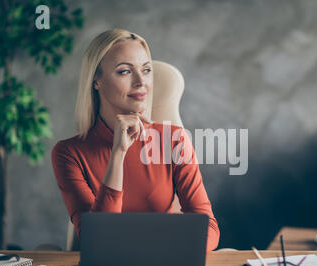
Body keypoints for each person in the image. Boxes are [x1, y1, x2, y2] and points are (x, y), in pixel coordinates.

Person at [51, 28, 220, 252]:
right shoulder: (68, 153)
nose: (141, 82)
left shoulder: (173, 140)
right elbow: (98, 240)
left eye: (146, 70)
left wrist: (159, 251)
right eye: (124, 72)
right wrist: (118, 154)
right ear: (96, 81)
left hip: (166, 265)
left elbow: (208, 227)